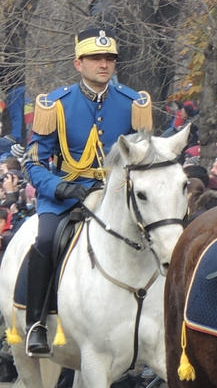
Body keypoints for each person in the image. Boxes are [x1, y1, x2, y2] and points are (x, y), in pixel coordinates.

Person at [20, 28, 152, 355]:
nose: (103, 64)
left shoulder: (133, 102)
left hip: (115, 195)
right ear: (78, 63)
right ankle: (37, 323)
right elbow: (34, 161)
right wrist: (59, 186)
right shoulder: (55, 104)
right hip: (65, 195)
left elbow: (144, 157)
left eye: (109, 59)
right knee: (47, 241)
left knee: (156, 239)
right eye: (95, 58)